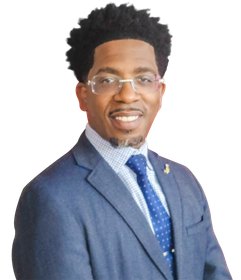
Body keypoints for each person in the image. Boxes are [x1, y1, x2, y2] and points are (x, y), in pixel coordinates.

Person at [11, 2, 233, 280]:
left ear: (160, 91)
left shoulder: (185, 180)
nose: (127, 96)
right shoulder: (50, 198)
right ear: (82, 95)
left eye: (142, 78)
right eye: (107, 80)